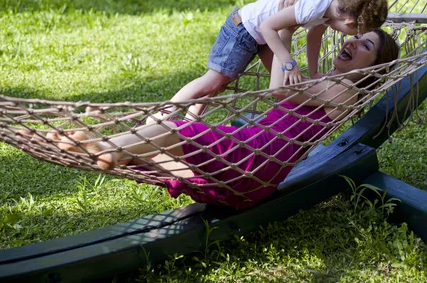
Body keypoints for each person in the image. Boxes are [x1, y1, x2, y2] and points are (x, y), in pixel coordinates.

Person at [31, 28, 400, 209]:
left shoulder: (345, 93)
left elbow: (279, 89)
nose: (351, 43)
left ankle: (100, 144)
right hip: (236, 175)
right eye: (354, 36)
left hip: (251, 161)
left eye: (364, 45)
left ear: (374, 68)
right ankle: (97, 148)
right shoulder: (325, 82)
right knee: (157, 141)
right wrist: (278, 25)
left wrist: (278, 36)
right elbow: (285, 64)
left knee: (169, 129)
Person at [160, 0, 390, 121]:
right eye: (357, 33)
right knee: (212, 82)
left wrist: (313, 72)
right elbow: (269, 26)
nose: (350, 38)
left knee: (286, 85)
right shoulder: (312, 8)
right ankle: (163, 116)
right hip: (246, 30)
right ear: (350, 22)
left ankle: (189, 126)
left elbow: (314, 38)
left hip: (264, 36)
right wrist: (289, 62)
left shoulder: (328, 12)